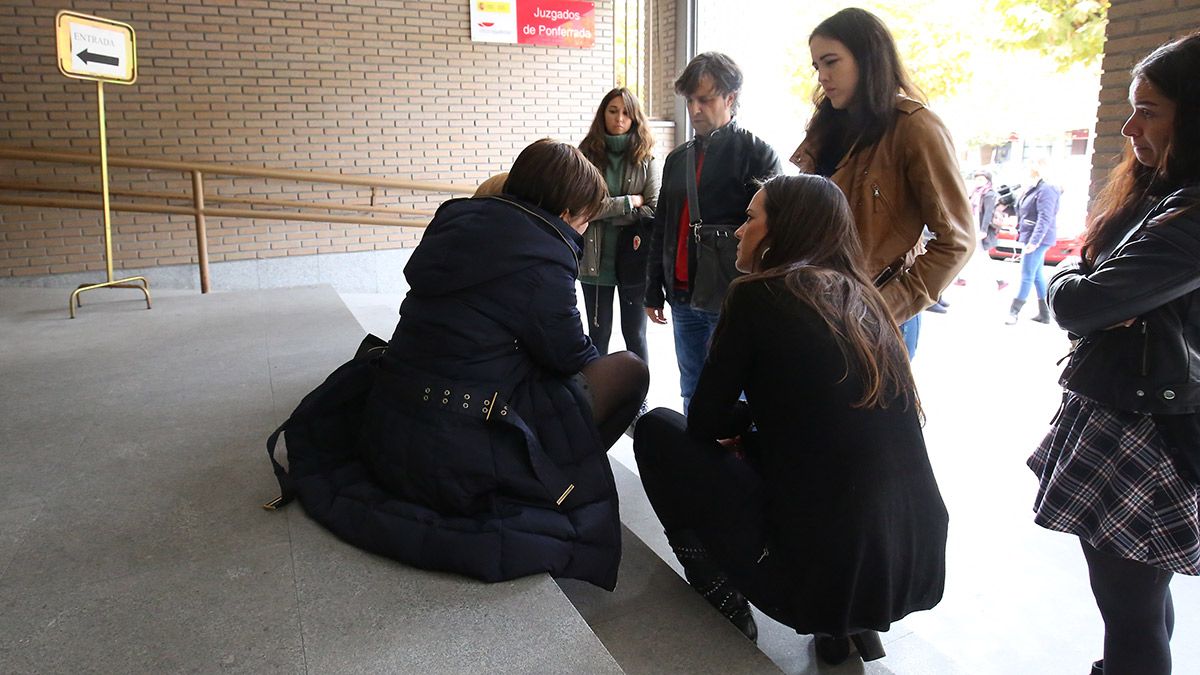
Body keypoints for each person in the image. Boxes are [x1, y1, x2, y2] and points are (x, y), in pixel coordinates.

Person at [265, 139, 649, 590]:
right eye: (585, 220)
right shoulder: (544, 255)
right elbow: (570, 356)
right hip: (458, 450)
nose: (583, 232)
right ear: (567, 213)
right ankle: (553, 481)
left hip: (388, 427)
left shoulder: (456, 223)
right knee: (628, 369)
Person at [634, 175, 948, 663]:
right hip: (912, 561)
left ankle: (718, 591)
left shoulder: (758, 295)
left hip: (815, 582)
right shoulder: (864, 300)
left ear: (784, 229)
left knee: (658, 429)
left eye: (751, 218)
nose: (739, 231)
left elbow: (704, 421)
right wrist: (763, 423)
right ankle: (850, 622)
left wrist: (748, 424)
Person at [1027, 32, 1200, 675]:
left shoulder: (1190, 215)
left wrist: (1077, 285)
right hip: (1132, 409)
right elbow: (1091, 289)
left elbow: (1076, 303)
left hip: (1147, 430)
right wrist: (1088, 285)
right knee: (1141, 601)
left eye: (1149, 110)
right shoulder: (1166, 192)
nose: (1130, 127)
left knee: (1129, 609)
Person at [789, 8, 973, 358]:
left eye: (831, 62)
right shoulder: (826, 127)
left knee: (869, 412)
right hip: (819, 306)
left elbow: (957, 241)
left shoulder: (916, 127)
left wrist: (880, 310)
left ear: (868, 58)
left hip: (878, 316)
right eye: (817, 67)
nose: (823, 77)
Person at [645, 52, 781, 410]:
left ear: (730, 98)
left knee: (735, 389)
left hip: (731, 297)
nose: (695, 110)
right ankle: (695, 458)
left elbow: (770, 234)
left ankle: (733, 462)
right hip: (682, 293)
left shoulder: (758, 154)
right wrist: (652, 289)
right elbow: (662, 226)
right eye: (690, 100)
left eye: (705, 99)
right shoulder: (678, 158)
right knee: (691, 385)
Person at [578, 87, 661, 363]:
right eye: (613, 111)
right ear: (603, 114)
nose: (619, 118)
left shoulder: (646, 157)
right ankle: (596, 398)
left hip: (634, 261)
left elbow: (654, 208)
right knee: (597, 337)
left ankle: (640, 400)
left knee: (635, 335)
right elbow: (582, 208)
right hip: (593, 260)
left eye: (626, 113)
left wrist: (605, 211)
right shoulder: (585, 155)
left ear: (635, 118)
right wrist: (628, 202)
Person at [1005, 158, 1061, 324]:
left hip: (1037, 239)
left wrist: (1034, 242)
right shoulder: (1033, 187)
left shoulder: (1047, 189)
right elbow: (1025, 210)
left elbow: (1045, 217)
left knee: (1027, 274)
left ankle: (1013, 312)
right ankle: (1045, 314)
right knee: (1036, 275)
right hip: (1032, 236)